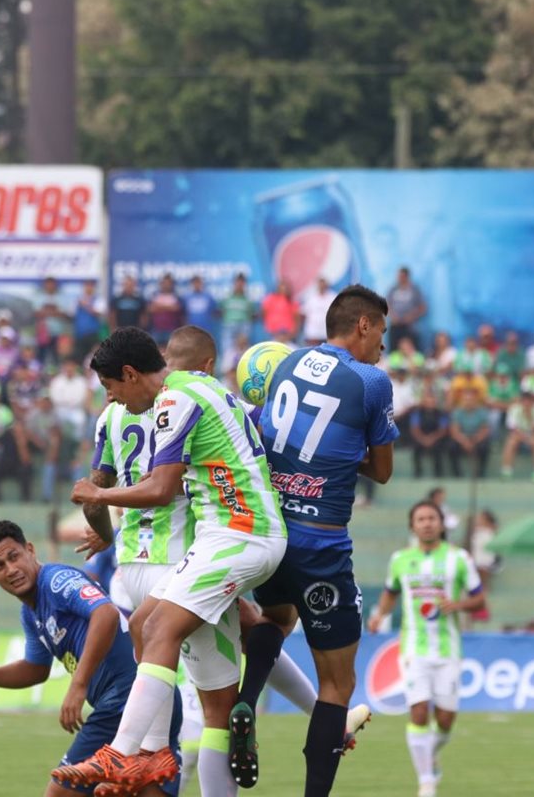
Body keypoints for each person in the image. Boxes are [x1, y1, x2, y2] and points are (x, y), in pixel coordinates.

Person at [76, 326, 328, 796]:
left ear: (131, 374)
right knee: (159, 638)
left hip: (237, 535)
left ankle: (128, 752)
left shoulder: (175, 398)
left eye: (112, 388)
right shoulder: (213, 389)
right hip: (227, 537)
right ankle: (158, 748)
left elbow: (161, 489)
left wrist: (99, 493)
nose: (112, 399)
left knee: (159, 630)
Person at [231, 286, 394, 795]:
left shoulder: (287, 363)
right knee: (338, 686)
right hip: (321, 543)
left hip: (272, 536)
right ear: (363, 325)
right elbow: (383, 472)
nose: (383, 347)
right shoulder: (371, 382)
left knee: (278, 618)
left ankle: (246, 697)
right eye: (382, 334)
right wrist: (345, 455)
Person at [0, 520, 182, 797]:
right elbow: (35, 669)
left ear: (30, 549)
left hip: (126, 696)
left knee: (61, 793)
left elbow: (105, 614)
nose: (10, 569)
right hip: (149, 699)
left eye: (13, 556)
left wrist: (78, 685)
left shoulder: (55, 580)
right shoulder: (31, 614)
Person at [367, 501, 485, 797]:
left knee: (445, 720)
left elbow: (480, 600)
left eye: (432, 518)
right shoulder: (400, 560)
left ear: (442, 524)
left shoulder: (459, 559)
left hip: (448, 650)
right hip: (413, 649)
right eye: (421, 519)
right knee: (418, 712)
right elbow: (390, 592)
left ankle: (430, 755)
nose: (427, 523)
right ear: (412, 526)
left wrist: (457, 605)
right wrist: (379, 615)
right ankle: (426, 781)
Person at [500, 391, 534, 482]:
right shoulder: (514, 409)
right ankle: (506, 471)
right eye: (524, 401)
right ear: (521, 401)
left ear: (533, 402)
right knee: (511, 441)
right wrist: (525, 438)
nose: (527, 403)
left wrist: (530, 415)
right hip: (519, 435)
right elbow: (513, 428)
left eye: (529, 401)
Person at [448, 388, 491, 478]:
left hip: (476, 437)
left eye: (471, 400)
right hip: (462, 438)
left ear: (475, 400)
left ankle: (480, 474)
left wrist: (475, 440)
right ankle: (457, 474)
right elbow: (454, 431)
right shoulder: (457, 412)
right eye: (466, 400)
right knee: (451, 446)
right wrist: (464, 441)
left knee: (485, 447)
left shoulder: (482, 412)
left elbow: (485, 430)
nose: (468, 402)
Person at [409, 391, 449, 478]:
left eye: (432, 402)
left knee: (438, 449)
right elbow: (415, 429)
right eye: (427, 402)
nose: (430, 404)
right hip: (421, 438)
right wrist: (423, 439)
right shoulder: (417, 413)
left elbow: (443, 430)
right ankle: (418, 473)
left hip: (436, 439)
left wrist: (432, 439)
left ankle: (438, 474)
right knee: (416, 449)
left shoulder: (441, 413)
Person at [387, 266, 427, 350]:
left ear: (407, 276)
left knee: (411, 351)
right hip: (395, 326)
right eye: (398, 276)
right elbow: (387, 305)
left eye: (402, 276)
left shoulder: (415, 290)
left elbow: (423, 308)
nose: (399, 279)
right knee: (394, 351)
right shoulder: (393, 289)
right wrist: (393, 316)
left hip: (410, 327)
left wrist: (411, 317)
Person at [220, 274, 256, 356]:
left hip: (244, 325)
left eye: (242, 283)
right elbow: (221, 310)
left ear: (244, 284)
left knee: (244, 349)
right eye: (238, 282)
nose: (239, 285)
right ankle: (227, 367)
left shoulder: (248, 299)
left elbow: (252, 313)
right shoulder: (227, 297)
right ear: (234, 283)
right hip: (229, 324)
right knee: (227, 348)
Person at [146, 274, 185, 347]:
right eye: (164, 283)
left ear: (172, 284)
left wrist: (159, 306)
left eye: (169, 283)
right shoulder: (154, 295)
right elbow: (150, 309)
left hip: (172, 329)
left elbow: (177, 308)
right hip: (156, 329)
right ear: (161, 283)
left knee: (171, 353)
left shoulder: (176, 296)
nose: (166, 285)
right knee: (155, 352)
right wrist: (169, 307)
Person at [300, 277, 337, 347]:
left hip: (327, 333)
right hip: (313, 333)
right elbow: (303, 313)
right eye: (320, 284)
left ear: (327, 285)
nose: (322, 286)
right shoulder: (310, 297)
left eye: (323, 284)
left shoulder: (333, 297)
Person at [183, 276, 220, 341]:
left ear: (202, 284)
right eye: (195, 283)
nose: (197, 285)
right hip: (192, 329)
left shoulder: (208, 297)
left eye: (199, 283)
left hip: (206, 329)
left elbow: (215, 311)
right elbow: (184, 313)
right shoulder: (187, 297)